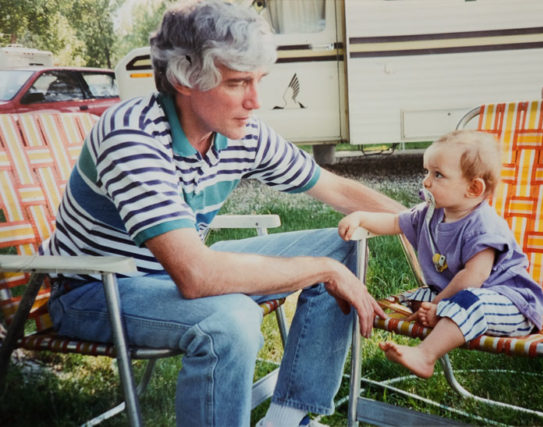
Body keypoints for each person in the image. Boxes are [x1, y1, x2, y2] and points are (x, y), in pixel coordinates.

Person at [40, 1, 405, 426]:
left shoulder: (240, 132)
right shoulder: (133, 136)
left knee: (342, 244)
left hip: (178, 270)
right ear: (184, 78)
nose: (255, 101)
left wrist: (426, 227)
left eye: (258, 81)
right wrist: (322, 271)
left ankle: (288, 421)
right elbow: (197, 277)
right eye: (237, 82)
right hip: (98, 289)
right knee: (230, 319)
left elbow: (336, 189)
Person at [338, 130, 543, 379]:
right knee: (416, 297)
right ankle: (438, 314)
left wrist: (439, 305)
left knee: (468, 301)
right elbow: (395, 222)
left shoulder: (483, 225)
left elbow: (473, 278)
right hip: (465, 294)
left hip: (511, 303)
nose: (426, 181)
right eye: (427, 172)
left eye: (438, 175)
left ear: (473, 188)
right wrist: (362, 217)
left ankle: (425, 356)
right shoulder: (432, 212)